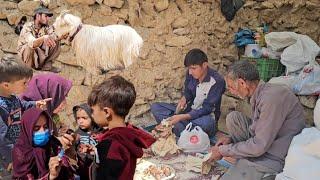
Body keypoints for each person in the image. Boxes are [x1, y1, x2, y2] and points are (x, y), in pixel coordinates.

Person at [209, 60, 305, 180]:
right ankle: (247, 156)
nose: (231, 91)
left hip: (275, 155)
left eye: (232, 87)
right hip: (266, 143)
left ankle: (263, 171)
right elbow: (259, 129)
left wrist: (223, 151)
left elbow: (260, 145)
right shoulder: (260, 93)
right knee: (234, 118)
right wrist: (230, 140)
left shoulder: (271, 98)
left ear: (242, 83)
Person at [87, 75, 156, 180]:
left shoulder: (111, 145)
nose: (91, 115)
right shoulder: (127, 135)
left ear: (106, 112)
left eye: (92, 111)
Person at [151, 49, 226, 137]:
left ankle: (179, 129)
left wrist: (181, 117)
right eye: (189, 68)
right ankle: (184, 130)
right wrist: (184, 98)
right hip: (188, 114)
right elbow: (188, 91)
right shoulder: (191, 73)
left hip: (204, 117)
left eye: (194, 68)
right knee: (156, 107)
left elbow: (207, 109)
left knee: (206, 123)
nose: (190, 72)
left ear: (205, 65)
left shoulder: (217, 81)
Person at [0, 56, 51, 172]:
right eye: (24, 83)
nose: (26, 86)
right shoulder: (1, 107)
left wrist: (34, 104)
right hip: (5, 158)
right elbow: (1, 138)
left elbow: (21, 105)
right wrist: (11, 158)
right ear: (6, 85)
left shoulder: (13, 98)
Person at [12, 108, 77, 179]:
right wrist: (50, 177)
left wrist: (69, 150)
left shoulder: (52, 142)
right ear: (27, 129)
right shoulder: (21, 152)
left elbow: (67, 163)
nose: (43, 131)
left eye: (45, 127)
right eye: (36, 128)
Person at [17, 7, 61, 73]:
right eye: (45, 16)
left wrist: (62, 35)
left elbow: (55, 35)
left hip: (38, 57)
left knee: (55, 41)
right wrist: (44, 38)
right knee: (28, 47)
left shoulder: (46, 27)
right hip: (26, 58)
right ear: (38, 16)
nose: (48, 19)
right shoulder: (27, 26)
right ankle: (27, 70)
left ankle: (47, 67)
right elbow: (32, 43)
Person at [72, 103, 102, 180]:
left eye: (84, 118)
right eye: (78, 118)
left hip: (99, 169)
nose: (80, 121)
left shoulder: (100, 133)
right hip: (82, 170)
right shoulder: (76, 134)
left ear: (92, 117)